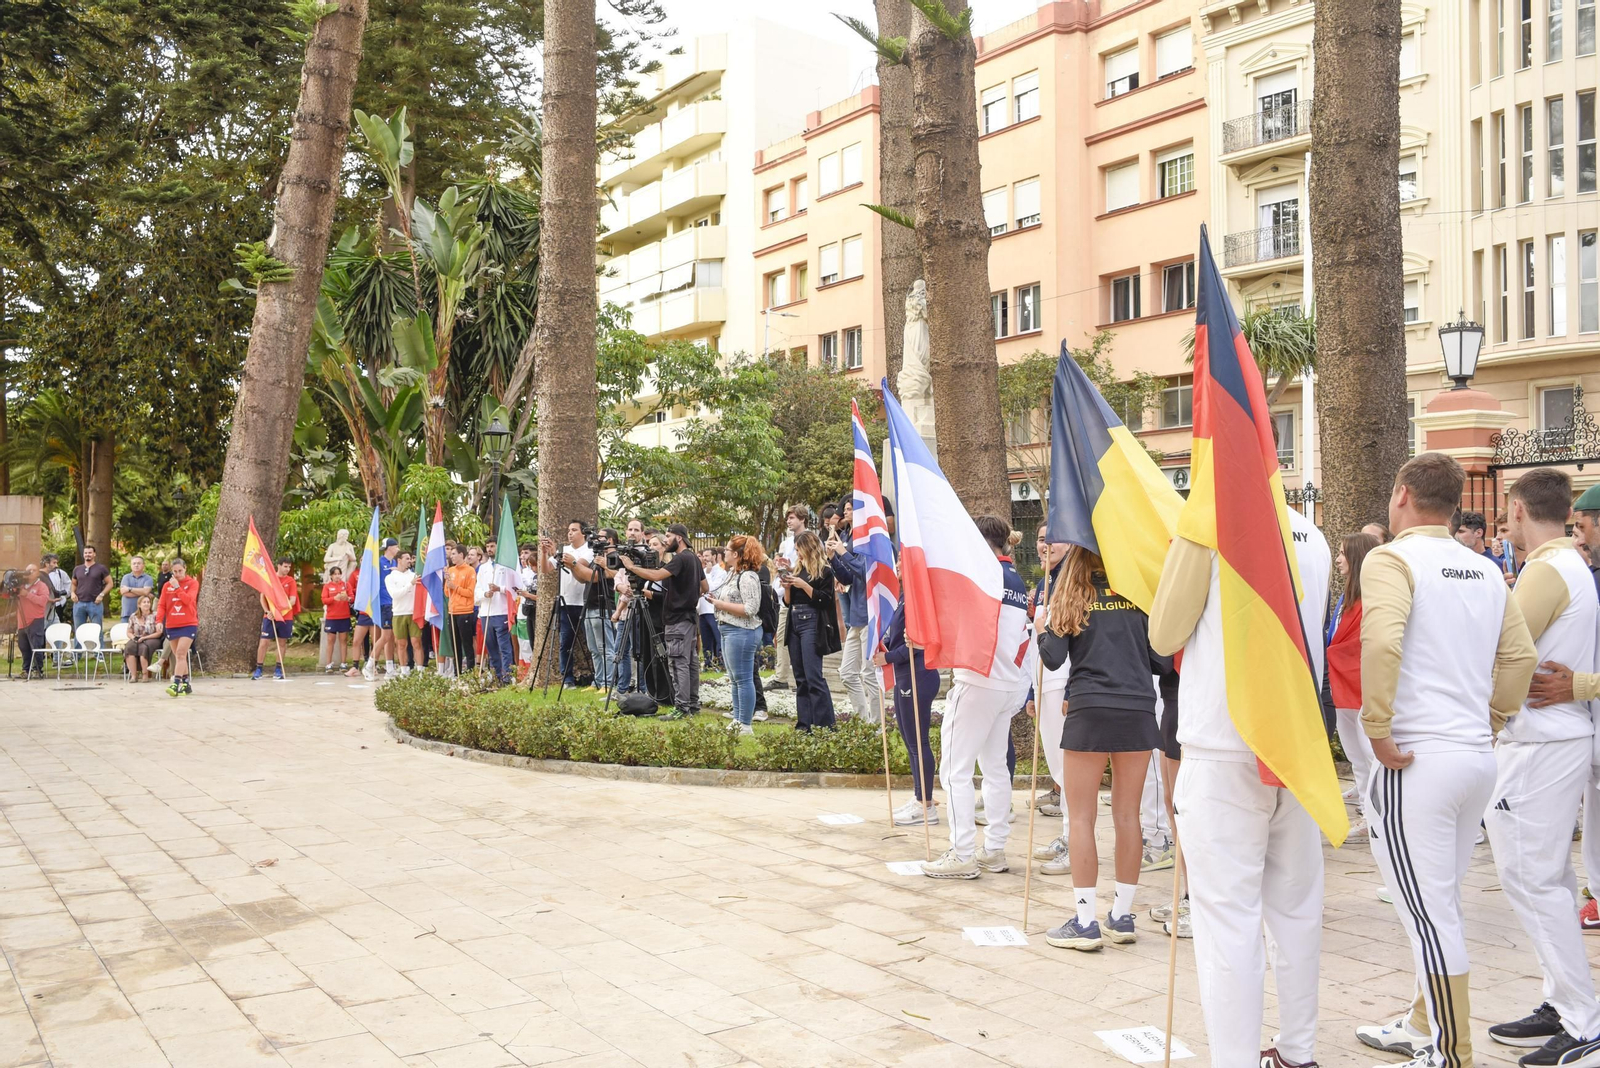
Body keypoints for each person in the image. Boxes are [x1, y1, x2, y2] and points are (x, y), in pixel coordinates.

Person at [1351, 453, 1537, 1068]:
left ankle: (1451, 1051)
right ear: (1455, 504)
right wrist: (1491, 720)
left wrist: (1377, 727)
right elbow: (1520, 657)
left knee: (1430, 914)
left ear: (1403, 494)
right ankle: (1423, 1022)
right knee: (1441, 902)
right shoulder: (1484, 568)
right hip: (1471, 755)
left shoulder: (1392, 558)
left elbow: (1382, 640)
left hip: (1416, 758)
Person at [1149, 483, 1332, 1068]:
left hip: (1222, 743)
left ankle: (1234, 1059)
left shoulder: (1207, 527)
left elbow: (1164, 634)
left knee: (1227, 919)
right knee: (1296, 912)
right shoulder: (1313, 536)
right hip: (1294, 742)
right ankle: (1298, 1052)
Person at [1473, 468, 1600, 1063]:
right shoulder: (1566, 564)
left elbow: (1505, 651)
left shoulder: (1548, 568)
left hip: (1541, 741)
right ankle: (1562, 1000)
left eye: (1507, 511)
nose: (1505, 520)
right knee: (1547, 876)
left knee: (1531, 877)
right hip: (1552, 738)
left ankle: (1582, 1017)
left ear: (1519, 509)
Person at [1035, 546, 1173, 951]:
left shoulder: (1072, 593)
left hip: (1089, 707)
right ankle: (1122, 916)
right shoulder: (1139, 594)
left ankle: (1084, 922)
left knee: (1081, 817)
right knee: (1129, 816)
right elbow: (1162, 662)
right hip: (1137, 708)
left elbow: (1053, 658)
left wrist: (1042, 626)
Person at [922, 515, 1032, 879]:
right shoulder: (1014, 578)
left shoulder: (985, 574)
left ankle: (962, 853)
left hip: (978, 679)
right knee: (995, 768)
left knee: (956, 770)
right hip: (1005, 681)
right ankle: (993, 849)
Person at [621, 524, 706, 719]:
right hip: (690, 618)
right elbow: (705, 587)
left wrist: (632, 567)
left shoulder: (681, 558)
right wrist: (687, 595)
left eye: (668, 536)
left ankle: (682, 707)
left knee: (678, 663)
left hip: (677, 619)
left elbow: (658, 575)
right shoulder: (694, 558)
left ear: (680, 538)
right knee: (690, 663)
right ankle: (693, 705)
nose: (666, 540)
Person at [1327, 532, 1381, 843]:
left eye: (1342, 554)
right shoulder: (1347, 598)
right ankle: (1366, 812)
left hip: (1361, 688)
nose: (1337, 560)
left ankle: (1379, 817)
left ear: (1357, 558)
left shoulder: (1372, 598)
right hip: (1343, 686)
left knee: (1371, 757)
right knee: (1357, 757)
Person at [1026, 526, 1072, 873]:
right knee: (1058, 767)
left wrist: (1069, 689)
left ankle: (1074, 841)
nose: (1046, 545)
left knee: (1068, 769)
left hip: (1061, 681)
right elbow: (1036, 640)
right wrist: (1032, 690)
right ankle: (1068, 836)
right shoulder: (1046, 582)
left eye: (1054, 538)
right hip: (1044, 682)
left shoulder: (1071, 580)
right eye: (1042, 539)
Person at [877, 599, 940, 826]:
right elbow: (898, 638)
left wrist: (887, 657)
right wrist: (883, 644)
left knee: (918, 743)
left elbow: (917, 644)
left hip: (919, 674)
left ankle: (926, 805)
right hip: (904, 674)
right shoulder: (905, 597)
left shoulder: (917, 598)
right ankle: (919, 797)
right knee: (910, 741)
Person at [779, 530, 837, 731]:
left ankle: (825, 725)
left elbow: (825, 599)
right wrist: (787, 587)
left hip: (812, 621)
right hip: (794, 620)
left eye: (799, 550)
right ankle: (804, 725)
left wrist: (804, 585)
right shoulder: (797, 569)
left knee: (813, 675)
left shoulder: (824, 571)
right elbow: (788, 602)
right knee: (800, 677)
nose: (798, 554)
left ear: (808, 548)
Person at [709, 535, 765, 733]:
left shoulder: (748, 576)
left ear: (736, 554)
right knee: (734, 678)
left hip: (742, 631)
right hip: (728, 628)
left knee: (743, 678)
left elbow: (750, 608)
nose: (723, 552)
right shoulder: (733, 573)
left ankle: (745, 724)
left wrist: (720, 604)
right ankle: (738, 719)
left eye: (727, 549)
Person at [825, 499, 875, 722]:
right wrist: (833, 558)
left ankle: (877, 726)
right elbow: (847, 578)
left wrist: (843, 552)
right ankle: (863, 722)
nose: (845, 512)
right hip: (856, 614)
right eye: (844, 509)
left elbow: (865, 572)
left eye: (849, 509)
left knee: (869, 674)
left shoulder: (870, 538)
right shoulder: (849, 536)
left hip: (871, 613)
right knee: (847, 673)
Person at [567, 529, 617, 693]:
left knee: (606, 648)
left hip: (603, 605)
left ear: (610, 540)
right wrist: (572, 567)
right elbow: (583, 578)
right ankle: (598, 681)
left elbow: (597, 577)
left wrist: (575, 563)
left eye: (600, 537)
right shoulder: (597, 557)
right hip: (589, 605)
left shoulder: (613, 558)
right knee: (594, 649)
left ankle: (608, 682)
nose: (595, 540)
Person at [767, 507, 808, 691]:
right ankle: (781, 676)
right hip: (786, 594)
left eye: (792, 518)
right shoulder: (788, 541)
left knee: (802, 638)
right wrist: (783, 567)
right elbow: (790, 567)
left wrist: (792, 569)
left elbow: (810, 566)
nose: (789, 521)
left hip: (804, 596)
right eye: (788, 518)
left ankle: (803, 677)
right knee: (782, 635)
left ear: (802, 518)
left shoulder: (810, 539)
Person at [550, 521, 591, 687]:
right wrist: (546, 553)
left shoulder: (589, 549)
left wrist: (556, 553)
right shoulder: (563, 550)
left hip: (584, 602)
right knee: (565, 642)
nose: (570, 533)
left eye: (574, 530)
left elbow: (579, 565)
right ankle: (567, 678)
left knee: (591, 642)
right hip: (565, 602)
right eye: (569, 530)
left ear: (583, 533)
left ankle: (597, 676)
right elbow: (546, 568)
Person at [156, 558, 200, 696]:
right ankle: (186, 684)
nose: (177, 574)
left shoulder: (192, 583)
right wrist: (159, 621)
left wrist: (177, 588)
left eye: (180, 571)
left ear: (185, 569)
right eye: (175, 571)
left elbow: (188, 600)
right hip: (172, 625)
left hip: (188, 624)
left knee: (181, 653)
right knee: (179, 656)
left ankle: (175, 684)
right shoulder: (166, 586)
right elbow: (162, 605)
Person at [252, 559, 300, 680]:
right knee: (264, 642)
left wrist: (279, 611)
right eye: (285, 566)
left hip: (285, 617)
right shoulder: (269, 579)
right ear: (278, 566)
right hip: (270, 616)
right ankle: (259, 669)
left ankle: (278, 669)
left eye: (289, 567)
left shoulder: (291, 581)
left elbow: (292, 600)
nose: (287, 569)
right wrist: (267, 611)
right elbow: (263, 598)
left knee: (282, 642)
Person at [477, 543, 514, 685]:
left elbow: (515, 587)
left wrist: (500, 589)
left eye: (492, 546)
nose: (489, 549)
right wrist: (484, 594)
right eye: (487, 547)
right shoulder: (483, 568)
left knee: (504, 647)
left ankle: (507, 676)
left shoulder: (506, 566)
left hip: (501, 611)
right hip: (486, 612)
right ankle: (497, 675)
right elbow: (477, 589)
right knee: (491, 647)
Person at [386, 551, 422, 676]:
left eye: (410, 558)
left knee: (416, 642)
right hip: (399, 613)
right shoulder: (390, 577)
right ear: (399, 560)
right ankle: (403, 670)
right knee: (401, 643)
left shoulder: (414, 575)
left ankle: (420, 671)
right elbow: (395, 595)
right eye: (406, 558)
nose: (409, 561)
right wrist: (410, 585)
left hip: (413, 613)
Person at [443, 544, 477, 674]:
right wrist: (447, 584)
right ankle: (457, 672)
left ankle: (470, 671)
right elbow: (447, 593)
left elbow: (470, 592)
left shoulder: (470, 571)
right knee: (455, 643)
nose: (451, 556)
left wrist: (455, 587)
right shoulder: (451, 570)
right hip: (452, 611)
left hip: (465, 611)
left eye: (454, 554)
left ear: (461, 555)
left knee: (467, 643)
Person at [15, 563, 50, 679]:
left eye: (33, 570)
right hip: (22, 621)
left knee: (36, 646)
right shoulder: (21, 585)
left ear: (38, 573)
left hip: (35, 620)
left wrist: (27, 594)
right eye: (28, 570)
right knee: (23, 647)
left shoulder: (42, 586)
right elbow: (5, 595)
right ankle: (26, 670)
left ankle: (37, 669)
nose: (30, 572)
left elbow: (42, 601)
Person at [374, 537, 400, 677]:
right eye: (396, 547)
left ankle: (391, 666)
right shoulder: (379, 562)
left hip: (396, 602)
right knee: (386, 636)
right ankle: (371, 664)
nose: (397, 549)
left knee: (394, 637)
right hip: (384, 603)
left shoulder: (396, 562)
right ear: (389, 548)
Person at [123, 594, 164, 681]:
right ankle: (134, 675)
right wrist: (133, 638)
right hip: (137, 637)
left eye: (148, 602)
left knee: (143, 647)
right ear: (139, 605)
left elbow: (159, 633)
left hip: (152, 638)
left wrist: (145, 638)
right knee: (129, 647)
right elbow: (129, 632)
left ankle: (145, 674)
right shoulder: (133, 616)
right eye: (144, 602)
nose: (146, 604)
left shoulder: (155, 615)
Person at [71, 544, 110, 632]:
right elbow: (73, 583)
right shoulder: (77, 569)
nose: (87, 554)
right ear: (83, 554)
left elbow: (110, 583)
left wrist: (101, 595)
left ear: (94, 554)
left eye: (90, 553)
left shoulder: (101, 568)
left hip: (95, 603)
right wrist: (72, 593)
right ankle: (79, 642)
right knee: (79, 631)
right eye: (86, 553)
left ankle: (99, 642)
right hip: (79, 603)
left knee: (97, 630)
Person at [698, 548, 725, 673]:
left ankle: (720, 663)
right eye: (703, 556)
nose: (705, 558)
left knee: (718, 638)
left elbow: (712, 588)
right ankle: (708, 663)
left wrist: (708, 574)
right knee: (706, 640)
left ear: (714, 556)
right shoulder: (703, 571)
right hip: (702, 610)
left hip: (713, 610)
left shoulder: (721, 572)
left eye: (707, 555)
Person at [345, 562, 373, 679]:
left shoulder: (375, 574)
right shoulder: (357, 575)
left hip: (374, 612)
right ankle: (355, 667)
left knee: (375, 641)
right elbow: (351, 591)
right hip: (363, 612)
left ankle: (372, 666)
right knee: (356, 641)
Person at [321, 565, 351, 673]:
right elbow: (324, 600)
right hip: (332, 617)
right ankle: (328, 664)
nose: (337, 576)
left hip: (344, 616)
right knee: (330, 640)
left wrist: (347, 598)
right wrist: (334, 598)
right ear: (331, 576)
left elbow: (352, 597)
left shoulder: (346, 585)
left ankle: (343, 663)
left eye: (339, 574)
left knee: (343, 640)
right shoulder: (327, 586)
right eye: (335, 574)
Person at [118, 556, 154, 624]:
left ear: (143, 565)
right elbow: (124, 592)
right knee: (125, 630)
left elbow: (146, 591)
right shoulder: (126, 577)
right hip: (127, 613)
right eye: (134, 563)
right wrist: (143, 593)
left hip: (143, 613)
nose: (136, 565)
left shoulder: (148, 578)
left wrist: (129, 589)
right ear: (131, 565)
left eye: (138, 563)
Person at [41, 553, 70, 625]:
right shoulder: (40, 576)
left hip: (52, 611)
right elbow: (37, 595)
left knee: (57, 629)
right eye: (54, 563)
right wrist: (51, 600)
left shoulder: (47, 575)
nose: (56, 565)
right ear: (47, 564)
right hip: (43, 613)